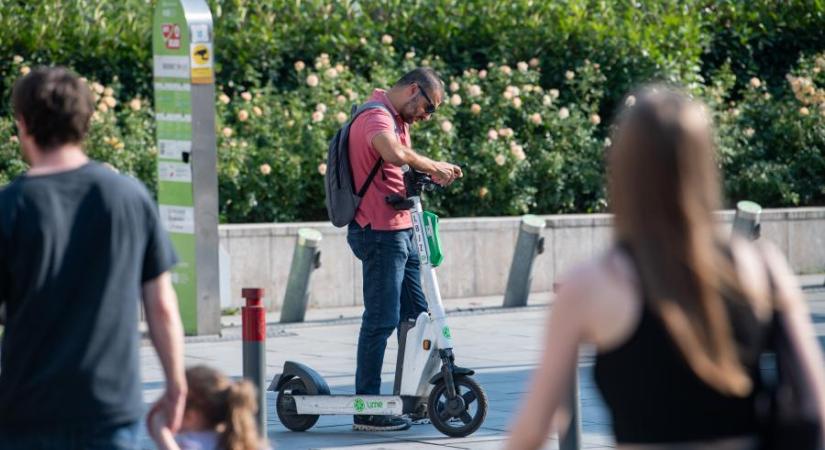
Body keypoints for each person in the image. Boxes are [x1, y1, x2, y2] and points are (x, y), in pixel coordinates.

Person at [506, 86, 825, 449]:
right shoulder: (763, 266)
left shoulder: (591, 284)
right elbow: (814, 407)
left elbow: (531, 432)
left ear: (624, 170)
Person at [0, 67, 186, 449]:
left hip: (26, 413)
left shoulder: (10, 207)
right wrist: (175, 382)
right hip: (109, 410)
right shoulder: (127, 197)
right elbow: (162, 307)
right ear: (85, 121)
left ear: (22, 124)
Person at [347, 67, 462, 431]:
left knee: (417, 317)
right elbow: (392, 154)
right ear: (414, 90)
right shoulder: (376, 116)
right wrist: (432, 164)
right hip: (379, 234)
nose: (427, 116)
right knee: (381, 320)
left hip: (401, 231)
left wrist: (428, 174)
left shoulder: (397, 117)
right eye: (428, 108)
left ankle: (413, 396)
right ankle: (367, 407)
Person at [148, 365, 265, 450]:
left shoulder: (190, 445)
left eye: (171, 401)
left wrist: (162, 435)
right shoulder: (253, 445)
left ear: (192, 415)